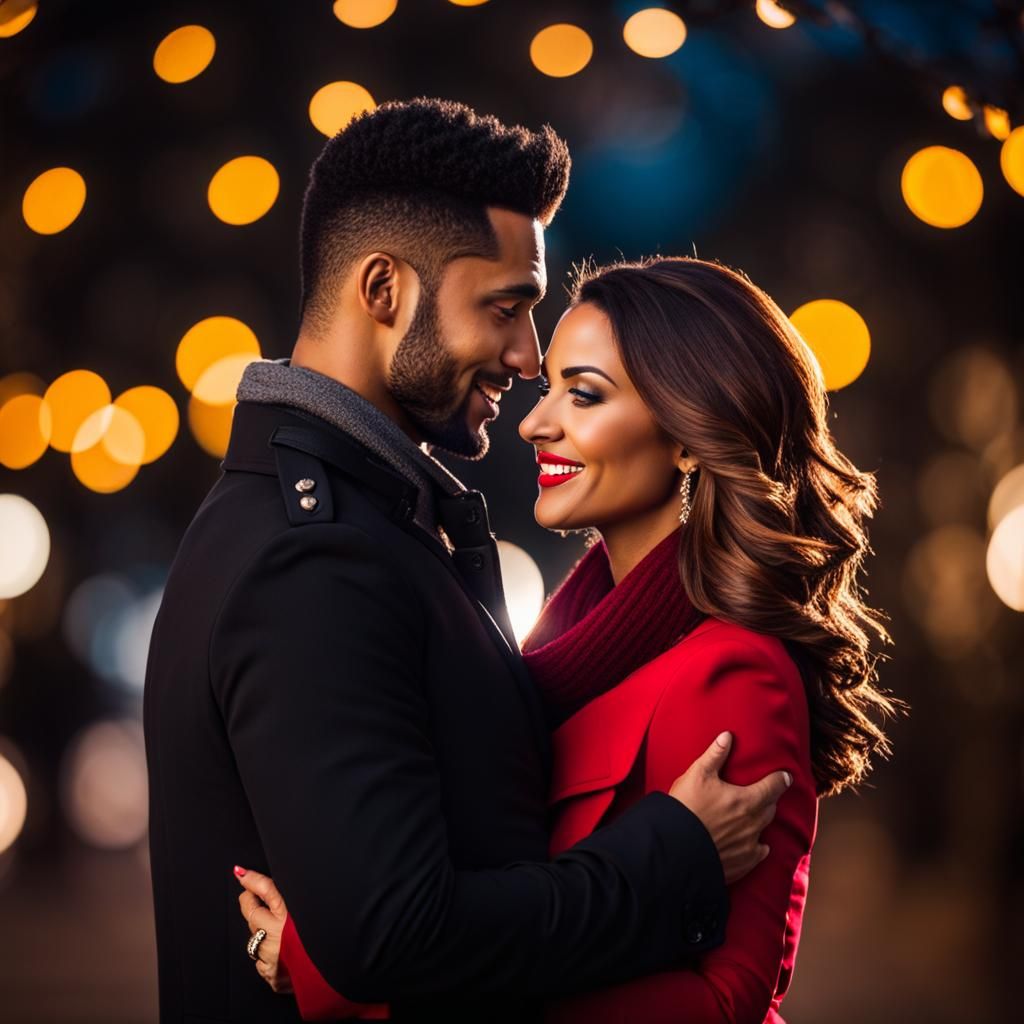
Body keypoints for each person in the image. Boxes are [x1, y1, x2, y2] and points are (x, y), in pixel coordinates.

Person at [144, 100, 787, 1024]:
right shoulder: (317, 560)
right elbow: (395, 935)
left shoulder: (357, 526)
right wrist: (669, 856)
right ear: (383, 290)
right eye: (505, 308)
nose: (526, 359)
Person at [237, 256, 898, 1022]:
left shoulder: (734, 673)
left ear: (689, 436)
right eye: (548, 387)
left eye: (583, 394)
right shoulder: (555, 656)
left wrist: (355, 983)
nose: (534, 423)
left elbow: (725, 1004)